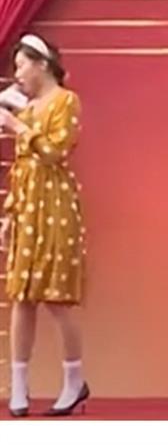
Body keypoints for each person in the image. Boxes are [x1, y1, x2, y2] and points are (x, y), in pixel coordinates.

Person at [1, 35, 88, 417]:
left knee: (56, 296)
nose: (17, 73)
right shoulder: (28, 106)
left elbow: (56, 152)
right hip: (27, 206)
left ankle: (74, 379)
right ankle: (19, 384)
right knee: (21, 295)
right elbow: (22, 166)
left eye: (22, 65)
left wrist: (18, 127)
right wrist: (9, 213)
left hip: (55, 204)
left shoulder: (65, 101)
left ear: (42, 64)